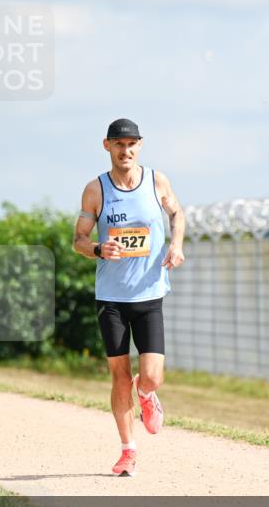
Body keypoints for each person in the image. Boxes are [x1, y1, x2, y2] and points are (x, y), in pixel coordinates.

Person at [73, 118, 186, 476]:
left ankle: (147, 394)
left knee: (151, 376)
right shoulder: (96, 190)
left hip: (149, 293)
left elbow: (177, 213)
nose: (127, 151)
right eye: (119, 145)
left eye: (132, 144)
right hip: (111, 298)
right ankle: (128, 451)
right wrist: (97, 249)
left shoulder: (157, 181)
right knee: (119, 376)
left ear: (140, 146)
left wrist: (176, 244)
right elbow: (78, 240)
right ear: (107, 146)